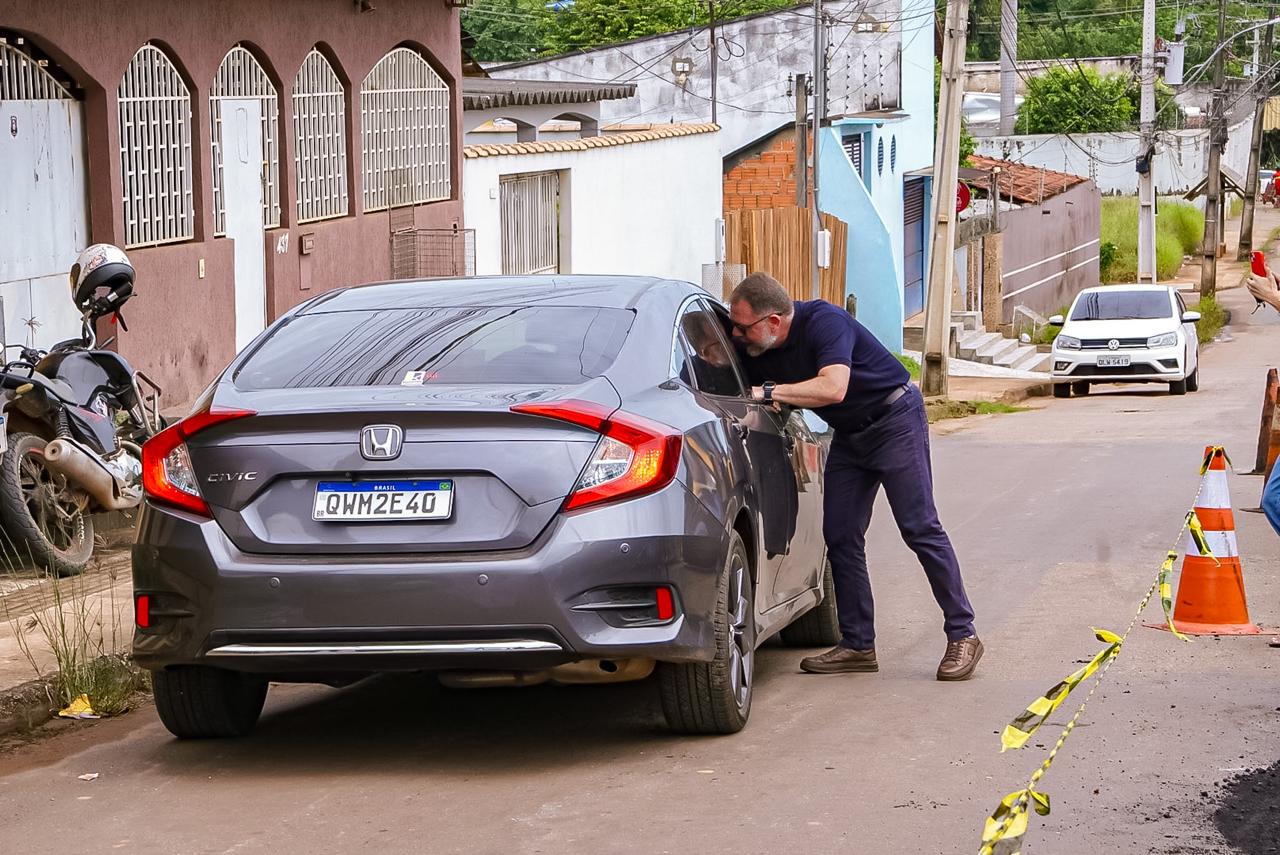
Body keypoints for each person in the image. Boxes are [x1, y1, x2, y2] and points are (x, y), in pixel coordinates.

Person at [727, 272, 982, 681]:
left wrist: (771, 393)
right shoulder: (757, 345)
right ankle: (858, 644)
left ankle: (962, 634)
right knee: (841, 533)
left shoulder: (824, 322)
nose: (737, 335)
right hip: (851, 435)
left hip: (894, 418)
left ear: (773, 321)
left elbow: (833, 388)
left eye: (742, 327)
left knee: (920, 527)